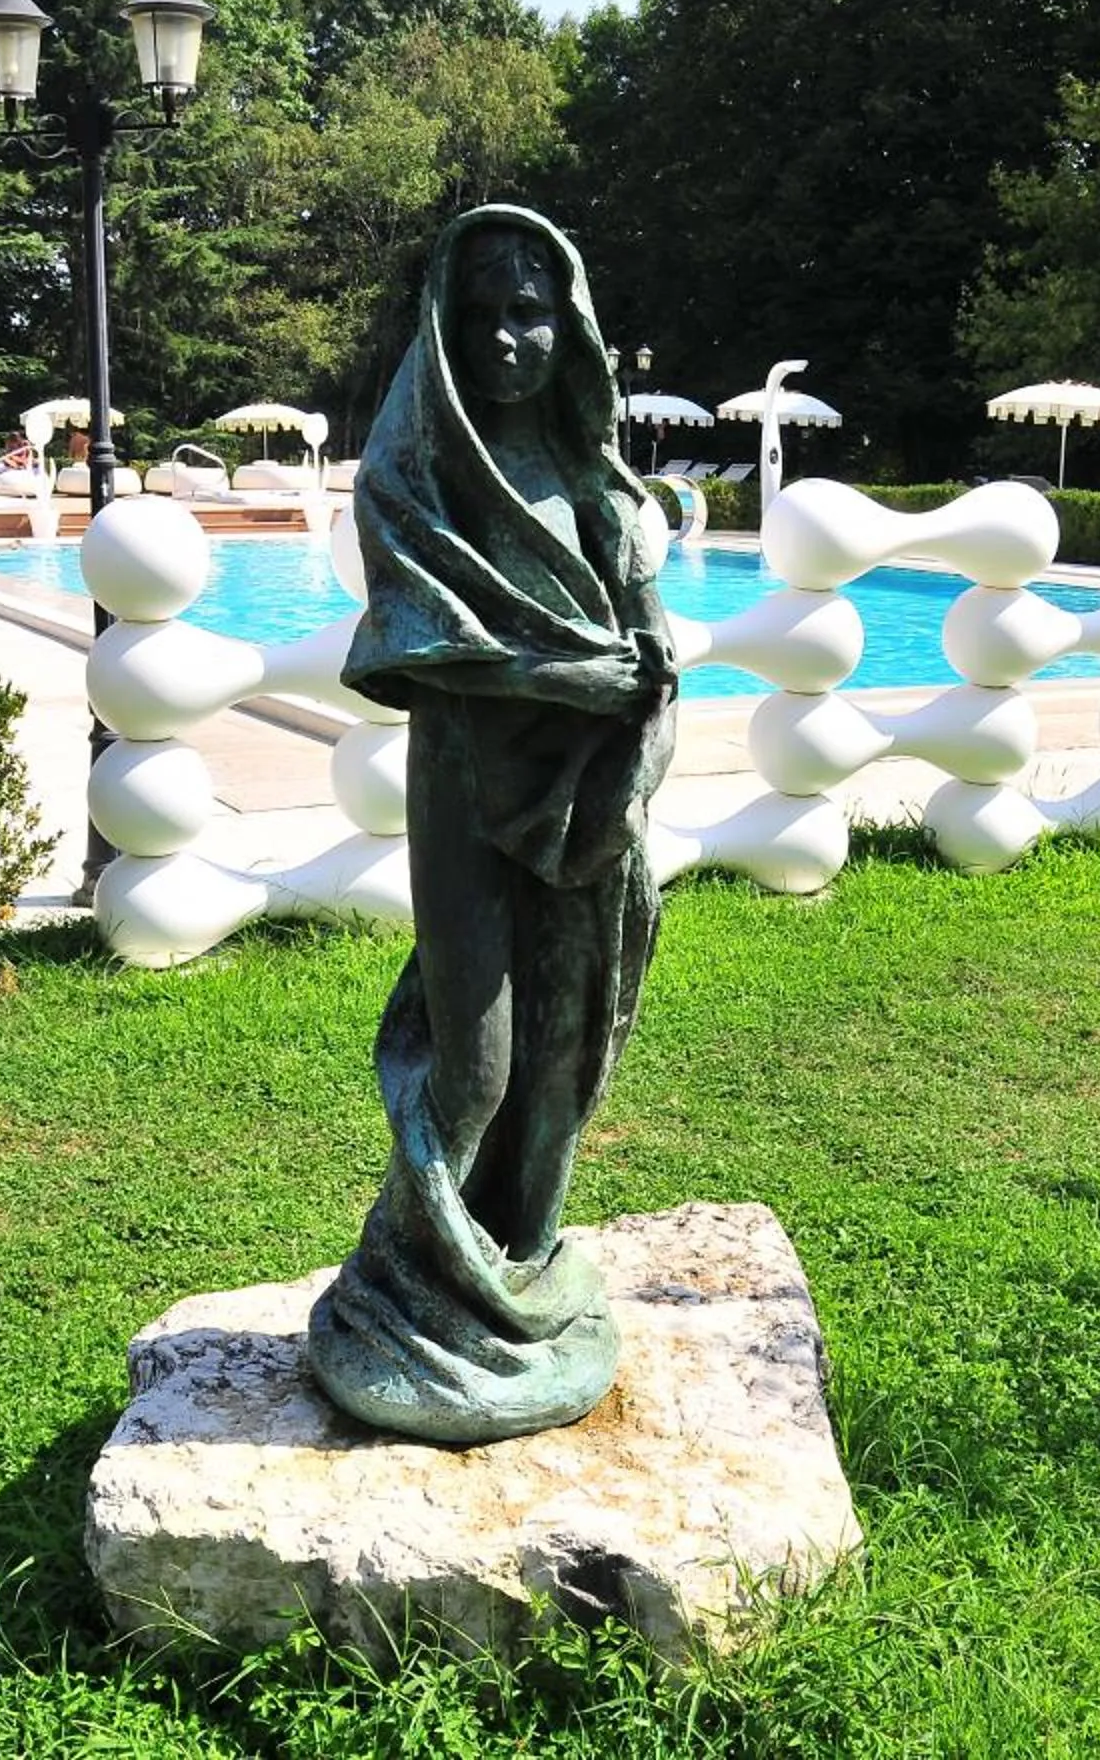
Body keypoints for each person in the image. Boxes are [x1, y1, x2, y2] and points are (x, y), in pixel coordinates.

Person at [304, 204, 676, 1446]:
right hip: (465, 791)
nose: (510, 337)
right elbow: (423, 648)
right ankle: (406, 1291)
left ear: (569, 328)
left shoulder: (601, 492)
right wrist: (572, 683)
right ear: (445, 332)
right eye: (483, 315)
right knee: (476, 1064)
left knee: (563, 1068)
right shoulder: (414, 482)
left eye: (532, 311)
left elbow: (654, 670)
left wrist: (632, 753)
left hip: (591, 817)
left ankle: (516, 1273)